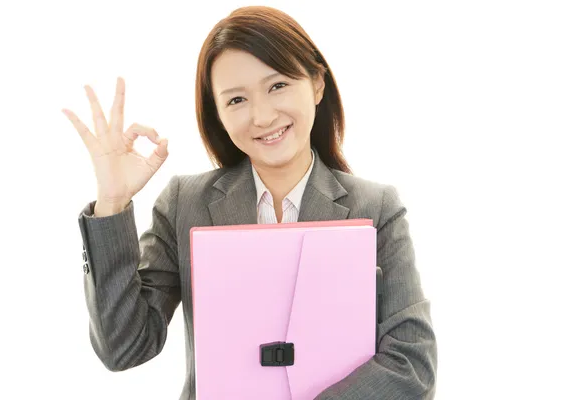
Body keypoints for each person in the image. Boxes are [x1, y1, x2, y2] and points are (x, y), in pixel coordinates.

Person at [63, 5, 437, 400]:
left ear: (316, 84)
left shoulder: (377, 208)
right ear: (219, 115)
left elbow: (412, 364)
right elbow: (124, 348)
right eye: (236, 100)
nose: (261, 116)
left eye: (277, 86)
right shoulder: (184, 204)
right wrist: (113, 201)